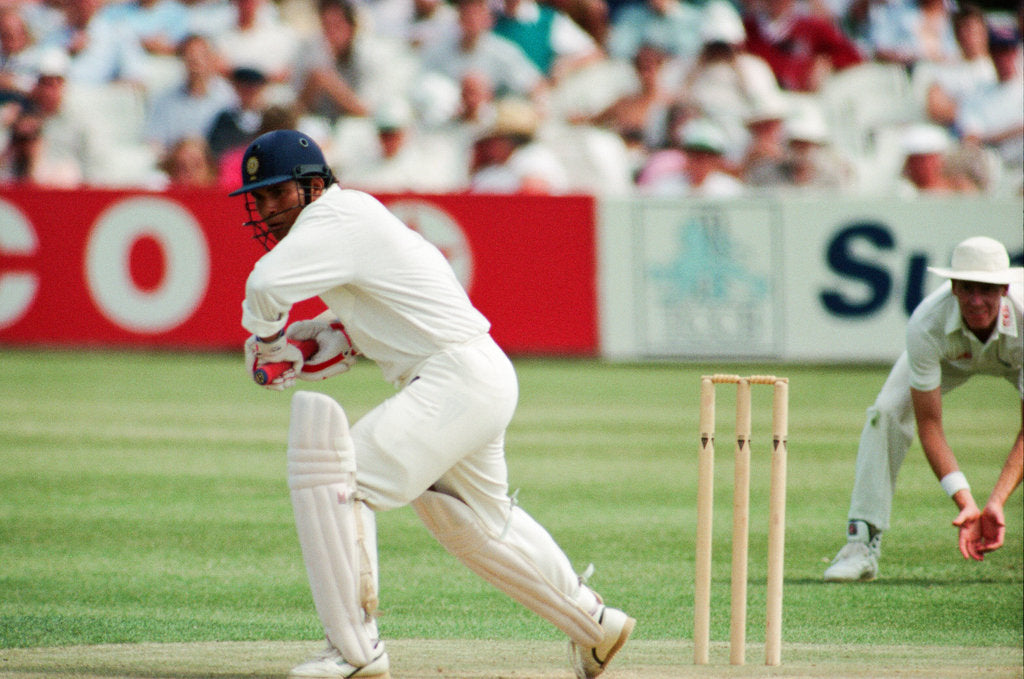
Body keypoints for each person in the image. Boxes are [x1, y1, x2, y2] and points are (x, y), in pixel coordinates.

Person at [228, 128, 635, 678]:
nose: (268, 210)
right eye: (259, 199)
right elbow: (388, 306)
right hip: (473, 376)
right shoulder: (348, 222)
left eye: (278, 193)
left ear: (314, 186)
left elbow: (265, 287)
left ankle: (355, 651)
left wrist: (270, 343)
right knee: (475, 523)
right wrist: (329, 333)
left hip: (454, 379)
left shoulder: (337, 217)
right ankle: (596, 624)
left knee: (338, 476)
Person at [824, 236, 1023, 581]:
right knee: (886, 411)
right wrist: (965, 502)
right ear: (953, 287)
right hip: (951, 359)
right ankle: (861, 543)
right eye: (967, 288)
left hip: (1015, 356)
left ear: (1004, 289)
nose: (976, 301)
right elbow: (929, 425)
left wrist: (996, 502)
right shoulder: (927, 322)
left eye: (987, 290)